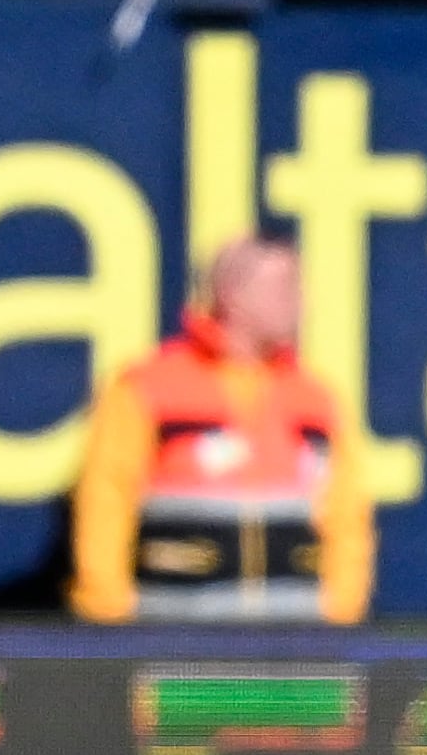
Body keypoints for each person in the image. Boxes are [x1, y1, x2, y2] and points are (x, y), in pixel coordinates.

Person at [68, 234, 375, 625]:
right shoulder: (149, 387)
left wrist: (341, 609)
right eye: (284, 286)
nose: (300, 302)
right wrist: (108, 608)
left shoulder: (314, 397)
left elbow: (347, 512)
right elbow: (107, 497)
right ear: (232, 293)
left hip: (296, 640)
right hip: (176, 636)